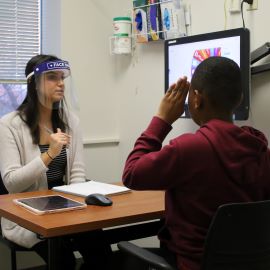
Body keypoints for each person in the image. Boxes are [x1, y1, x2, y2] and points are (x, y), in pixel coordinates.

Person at [122, 56, 270, 270]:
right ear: (238, 99)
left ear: (196, 99)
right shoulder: (261, 151)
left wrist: (161, 120)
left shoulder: (188, 149)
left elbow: (131, 173)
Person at [0, 54, 112, 270]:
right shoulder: (9, 125)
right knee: (64, 260)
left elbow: (77, 173)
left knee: (101, 252)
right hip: (25, 214)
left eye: (62, 77)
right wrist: (49, 154)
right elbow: (12, 183)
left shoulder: (70, 121)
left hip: (66, 207)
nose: (60, 83)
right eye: (52, 77)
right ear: (33, 83)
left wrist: (81, 208)